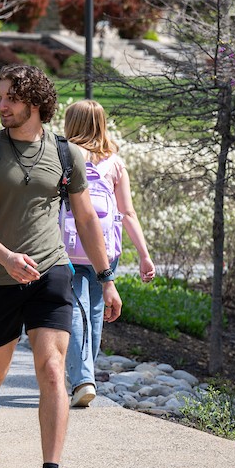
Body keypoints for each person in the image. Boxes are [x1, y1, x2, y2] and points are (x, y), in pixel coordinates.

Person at [0, 63, 122, 468]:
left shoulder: (67, 153)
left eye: (10, 98)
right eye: (0, 97)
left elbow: (86, 217)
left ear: (36, 102)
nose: (2, 105)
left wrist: (106, 279)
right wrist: (7, 257)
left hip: (52, 271)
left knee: (53, 369)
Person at [62, 100, 156, 408]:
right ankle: (84, 374)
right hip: (105, 251)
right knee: (96, 312)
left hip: (69, 249)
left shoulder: (62, 157)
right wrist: (144, 255)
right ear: (102, 125)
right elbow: (128, 213)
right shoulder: (114, 163)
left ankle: (82, 378)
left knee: (74, 310)